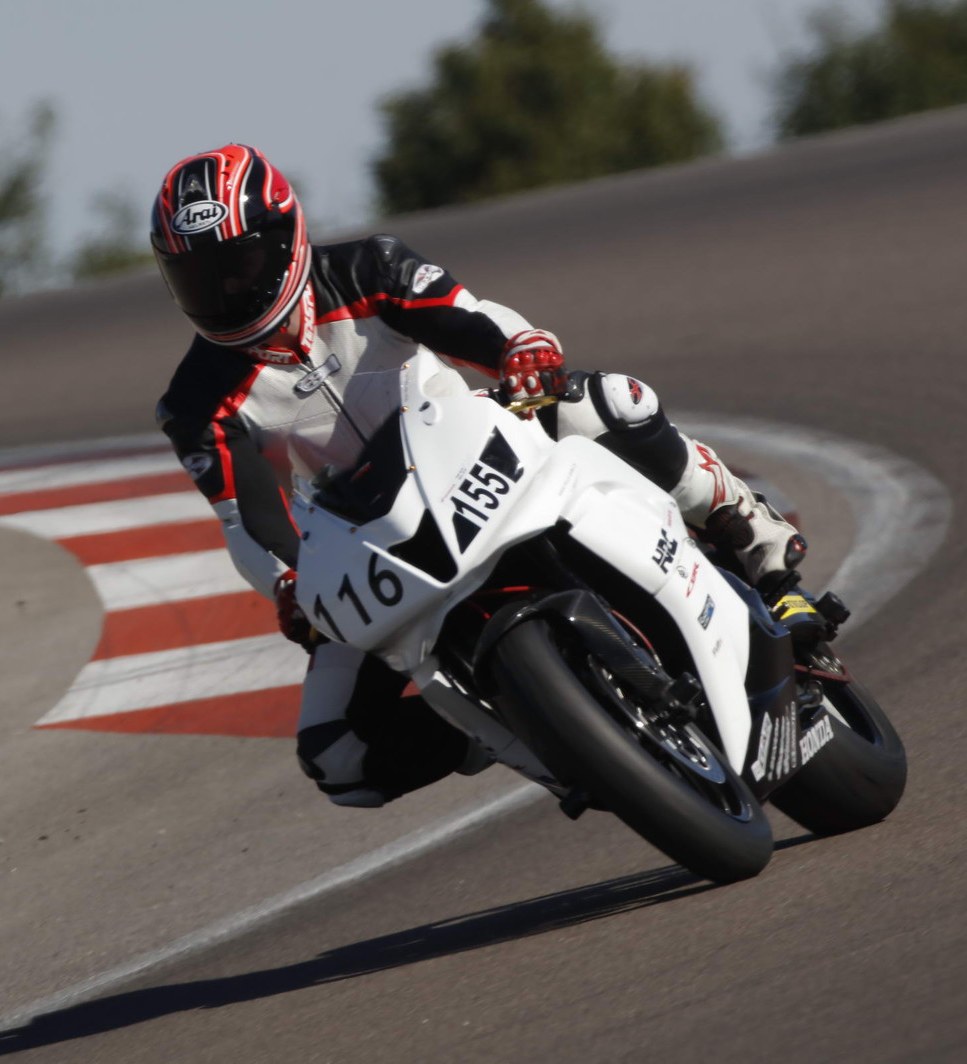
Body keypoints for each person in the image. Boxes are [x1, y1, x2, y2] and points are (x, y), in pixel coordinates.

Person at [152, 144, 806, 808]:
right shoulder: (194, 401)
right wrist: (288, 581)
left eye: (241, 266)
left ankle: (761, 547)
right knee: (337, 757)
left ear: (286, 238)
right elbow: (247, 517)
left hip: (474, 446)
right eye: (200, 279)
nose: (227, 292)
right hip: (370, 538)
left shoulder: (366, 268)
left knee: (605, 401)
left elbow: (466, 316)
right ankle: (521, 725)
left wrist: (517, 349)